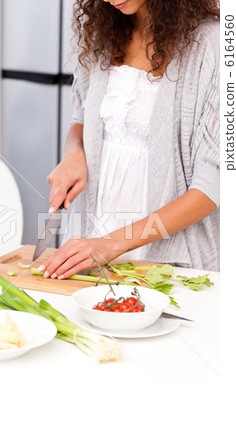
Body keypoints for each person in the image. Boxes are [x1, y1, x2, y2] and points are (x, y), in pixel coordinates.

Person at [39, 0, 220, 280]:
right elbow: (82, 117)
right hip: (93, 243)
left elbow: (211, 188)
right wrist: (74, 154)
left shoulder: (214, 45)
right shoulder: (103, 32)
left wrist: (112, 244)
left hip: (167, 261)